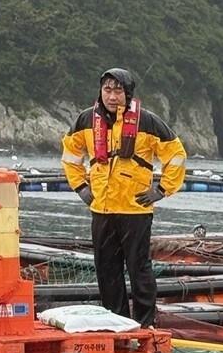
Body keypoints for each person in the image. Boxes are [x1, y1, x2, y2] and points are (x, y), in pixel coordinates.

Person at [61, 68, 186, 327]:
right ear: (100, 92)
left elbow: (176, 155)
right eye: (107, 90)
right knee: (107, 271)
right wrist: (81, 188)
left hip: (135, 210)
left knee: (139, 269)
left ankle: (145, 322)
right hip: (102, 209)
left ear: (128, 93)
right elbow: (71, 155)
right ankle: (115, 321)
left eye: (118, 90)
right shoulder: (86, 120)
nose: (112, 96)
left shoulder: (148, 122)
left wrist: (162, 190)